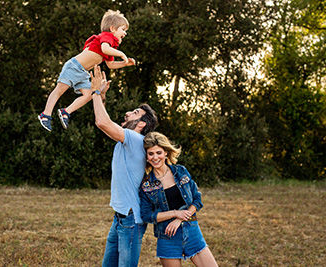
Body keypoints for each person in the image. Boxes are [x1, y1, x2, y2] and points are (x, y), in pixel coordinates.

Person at [89, 65, 158, 266]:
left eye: (134, 112)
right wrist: (100, 96)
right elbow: (105, 122)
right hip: (120, 218)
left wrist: (94, 91)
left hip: (131, 221)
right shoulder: (127, 138)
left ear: (142, 124)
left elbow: (102, 122)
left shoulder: (135, 139)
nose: (128, 113)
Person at [38, 9, 135, 131]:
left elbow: (110, 65)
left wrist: (125, 64)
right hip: (74, 67)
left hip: (83, 73)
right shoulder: (106, 37)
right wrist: (121, 54)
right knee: (59, 90)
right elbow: (104, 49)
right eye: (123, 30)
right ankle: (45, 114)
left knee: (90, 94)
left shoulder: (111, 46)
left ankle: (66, 112)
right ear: (112, 29)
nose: (125, 33)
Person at [139, 132, 218, 267]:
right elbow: (146, 215)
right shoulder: (146, 185)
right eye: (151, 154)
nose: (155, 157)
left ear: (166, 153)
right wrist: (175, 213)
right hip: (167, 237)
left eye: (159, 152)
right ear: (146, 157)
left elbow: (197, 199)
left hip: (191, 231)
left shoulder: (180, 171)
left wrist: (180, 218)